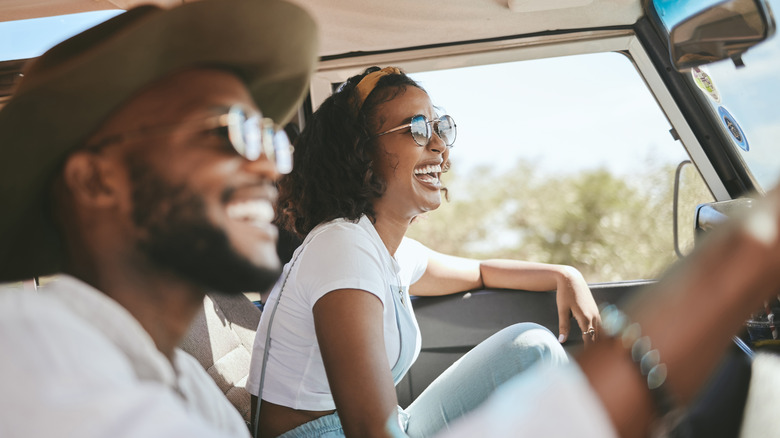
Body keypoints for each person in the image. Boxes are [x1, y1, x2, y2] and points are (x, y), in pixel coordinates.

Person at [0, 1, 317, 437]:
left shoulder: (186, 384)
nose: (270, 167)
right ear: (95, 180)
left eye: (267, 138)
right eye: (228, 130)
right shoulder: (26, 348)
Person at [246, 66, 600, 438]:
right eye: (416, 129)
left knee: (532, 349)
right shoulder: (343, 248)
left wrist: (565, 275)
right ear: (360, 151)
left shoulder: (387, 251)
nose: (439, 145)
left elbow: (481, 271)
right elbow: (371, 431)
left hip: (381, 426)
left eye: (440, 127)